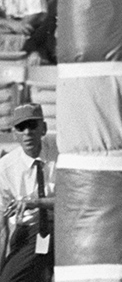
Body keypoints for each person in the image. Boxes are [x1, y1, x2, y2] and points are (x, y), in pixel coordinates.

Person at [0, 104, 54, 282]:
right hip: (29, 232)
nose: (27, 132)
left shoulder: (61, 153)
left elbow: (73, 200)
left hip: (62, 227)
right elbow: (1, 226)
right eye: (21, 127)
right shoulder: (6, 167)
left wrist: (36, 202)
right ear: (14, 133)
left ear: (43, 128)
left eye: (32, 125)